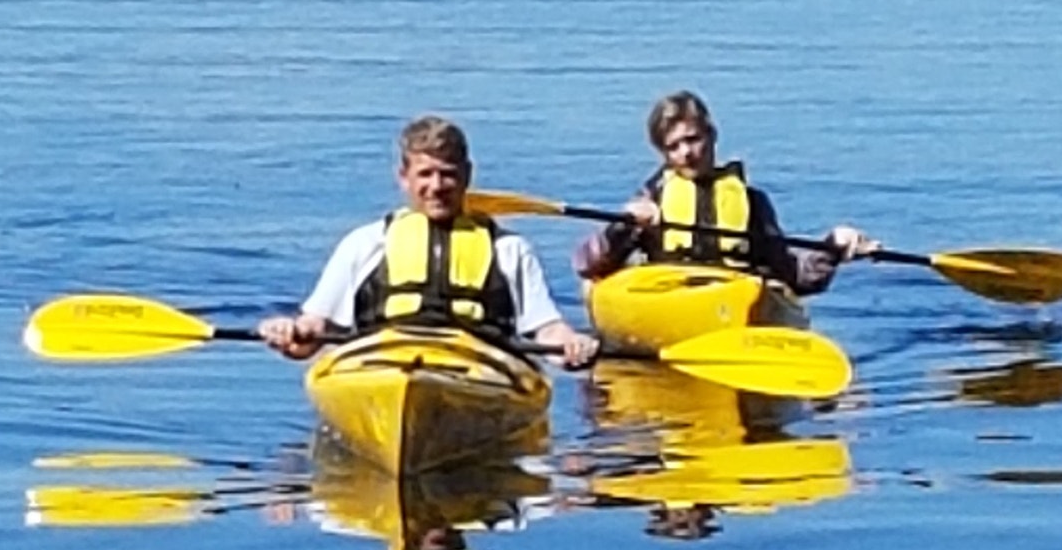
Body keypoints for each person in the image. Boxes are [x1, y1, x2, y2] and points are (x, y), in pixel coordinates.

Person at [261, 114, 599, 367]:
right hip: (381, 365)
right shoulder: (364, 243)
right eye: (425, 174)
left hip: (478, 369)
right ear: (403, 178)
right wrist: (287, 330)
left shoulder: (509, 250)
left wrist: (571, 344)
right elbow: (312, 332)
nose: (436, 186)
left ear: (467, 176)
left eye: (448, 174)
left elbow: (547, 329)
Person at [572, 90, 878, 293]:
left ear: (712, 135)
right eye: (673, 146)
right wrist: (623, 226)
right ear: (663, 154)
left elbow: (796, 276)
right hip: (669, 300)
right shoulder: (651, 200)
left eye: (693, 139)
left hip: (733, 300)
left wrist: (832, 246)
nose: (686, 153)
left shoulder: (753, 203)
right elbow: (586, 265)